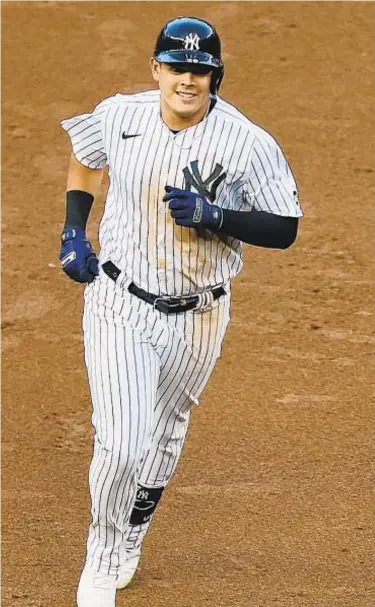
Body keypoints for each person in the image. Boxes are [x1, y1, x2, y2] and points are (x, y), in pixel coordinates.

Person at [59, 15, 303, 607]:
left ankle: (133, 532)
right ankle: (102, 554)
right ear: (156, 70)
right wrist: (73, 232)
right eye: (176, 68)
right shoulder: (120, 114)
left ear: (216, 76)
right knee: (121, 441)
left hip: (199, 313)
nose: (187, 80)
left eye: (200, 69)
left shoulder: (248, 142)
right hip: (120, 300)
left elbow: (285, 227)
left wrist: (218, 217)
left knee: (163, 436)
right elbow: (88, 156)